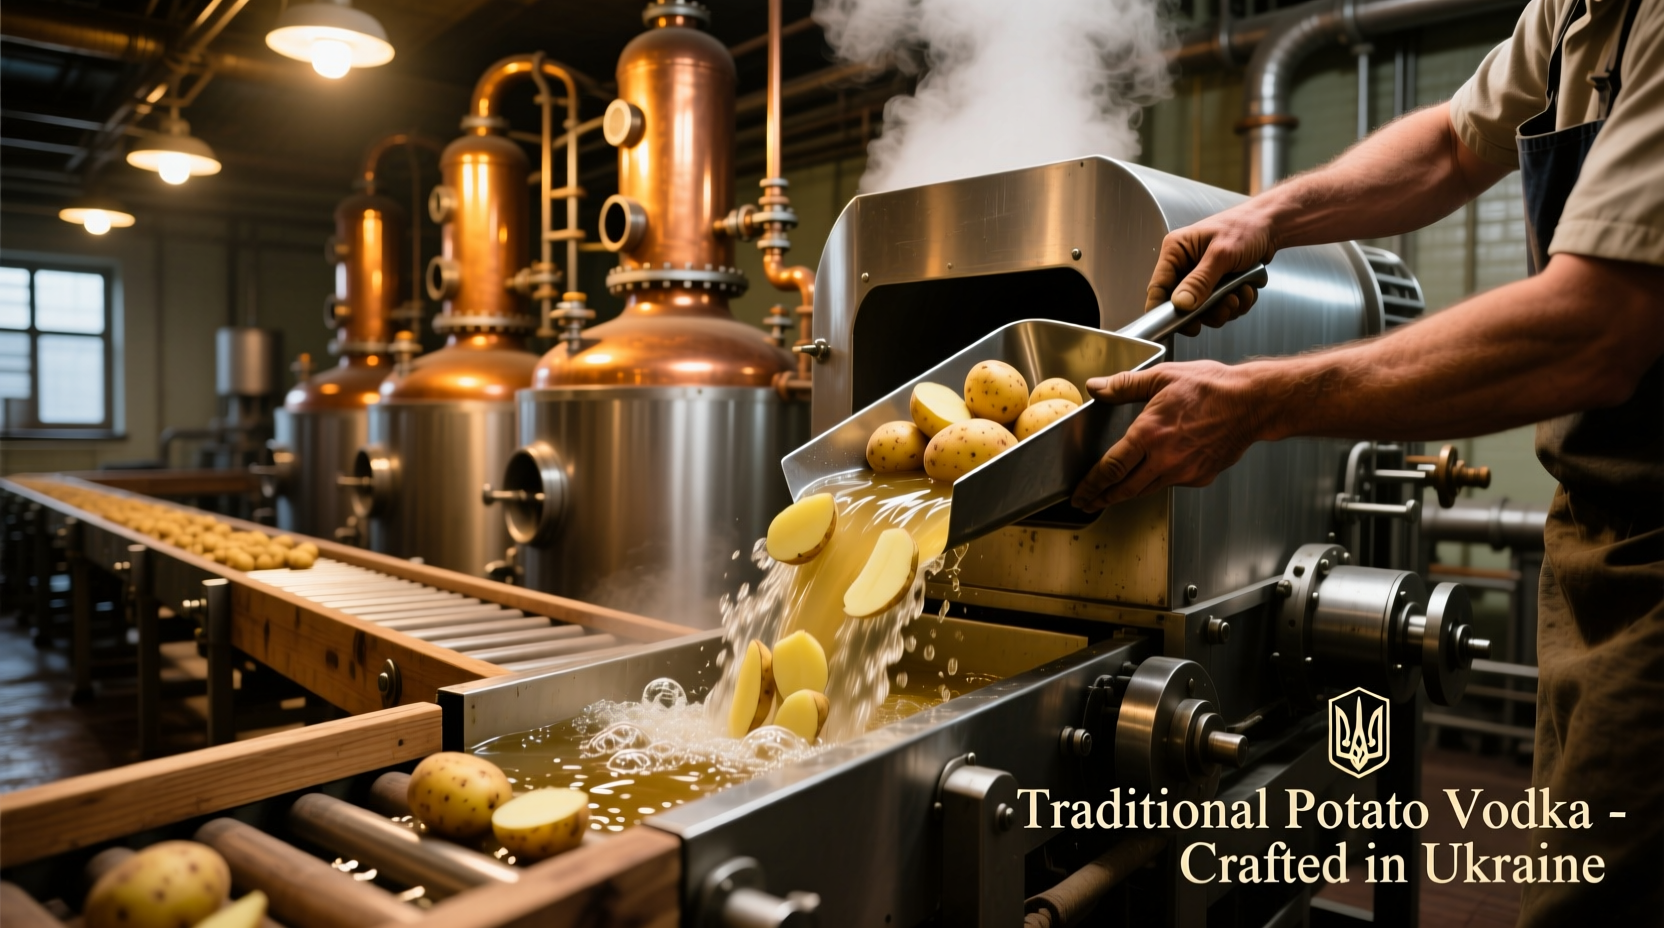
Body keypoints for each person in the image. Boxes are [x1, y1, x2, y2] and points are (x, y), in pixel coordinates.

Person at [1070, 0, 1661, 922]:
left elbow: (1599, 326)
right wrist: (1265, 217)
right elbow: (1451, 145)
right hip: (1594, 525)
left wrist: (1260, 402)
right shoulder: (1572, 13)